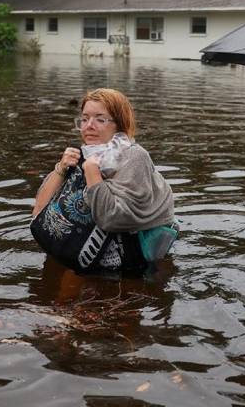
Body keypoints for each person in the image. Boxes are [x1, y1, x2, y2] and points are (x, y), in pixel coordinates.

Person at [31, 88, 175, 272]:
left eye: (100, 119)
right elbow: (38, 214)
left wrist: (92, 172)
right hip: (84, 256)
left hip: (129, 264)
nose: (89, 126)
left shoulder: (134, 157)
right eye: (84, 119)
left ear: (119, 124)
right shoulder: (84, 154)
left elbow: (112, 220)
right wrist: (60, 168)